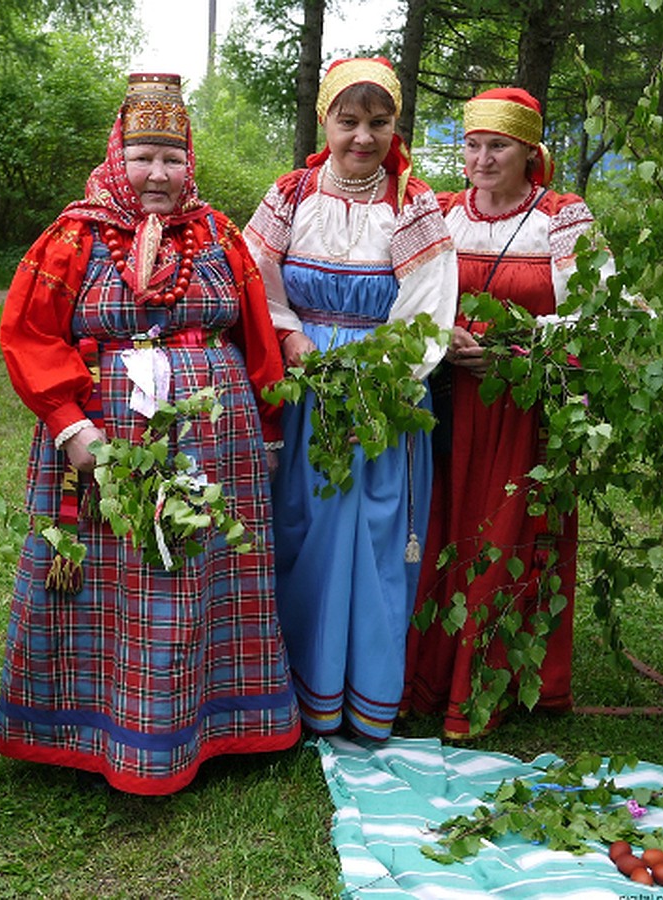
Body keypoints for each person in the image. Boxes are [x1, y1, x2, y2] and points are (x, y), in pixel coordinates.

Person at [0, 73, 299, 795]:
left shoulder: (219, 234)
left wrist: (269, 426)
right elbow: (29, 333)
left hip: (213, 440)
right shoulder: (72, 235)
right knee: (112, 572)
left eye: (171, 157)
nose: (158, 174)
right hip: (101, 442)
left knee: (199, 570)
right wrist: (70, 425)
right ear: (117, 157)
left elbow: (257, 334)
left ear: (189, 160)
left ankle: (216, 723)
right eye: (143, 157)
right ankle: (89, 726)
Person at [244, 57, 459, 740]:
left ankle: (361, 697)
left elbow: (430, 304)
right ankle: (296, 692)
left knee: (371, 533)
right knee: (301, 528)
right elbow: (256, 279)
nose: (363, 137)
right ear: (325, 120)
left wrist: (381, 372)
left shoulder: (413, 203)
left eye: (379, 122)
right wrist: (291, 338)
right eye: (350, 120)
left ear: (396, 126)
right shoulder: (290, 194)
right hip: (304, 388)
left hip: (381, 397)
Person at [403, 87, 616, 738]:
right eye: (473, 144)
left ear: (530, 152)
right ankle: (431, 678)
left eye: (499, 145)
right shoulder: (439, 214)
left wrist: (518, 350)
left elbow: (597, 309)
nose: (483, 157)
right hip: (447, 399)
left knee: (505, 532)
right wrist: (440, 336)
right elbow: (407, 293)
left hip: (522, 402)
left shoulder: (562, 216)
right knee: (442, 533)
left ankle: (487, 684)